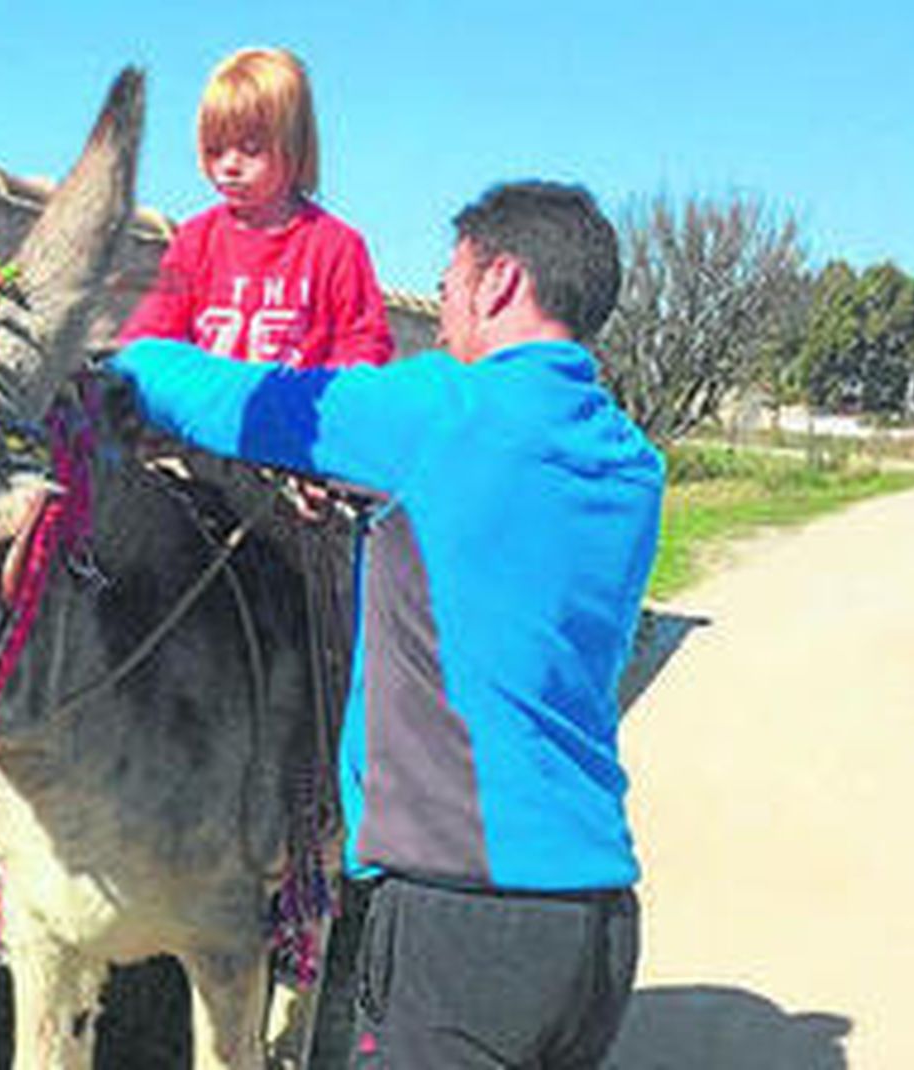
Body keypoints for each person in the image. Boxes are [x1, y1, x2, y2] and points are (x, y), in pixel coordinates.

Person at [108, 181, 664, 1069]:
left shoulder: (443, 412)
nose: (440, 307)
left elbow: (238, 399)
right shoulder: (632, 461)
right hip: (596, 924)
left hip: (468, 918)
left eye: (448, 282)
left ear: (498, 282)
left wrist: (126, 356)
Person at [117, 46, 394, 369]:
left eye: (250, 149)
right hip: (208, 414)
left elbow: (364, 345)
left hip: (299, 415)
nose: (230, 165)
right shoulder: (194, 241)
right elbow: (153, 330)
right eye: (215, 150)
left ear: (293, 145)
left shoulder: (337, 247)